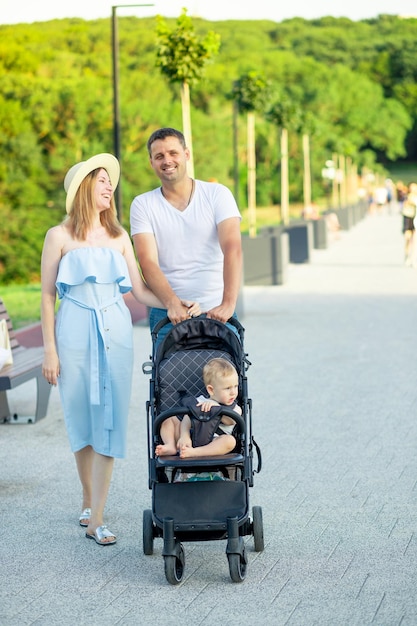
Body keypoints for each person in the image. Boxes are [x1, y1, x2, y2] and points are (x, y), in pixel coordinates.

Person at [41, 153, 200, 546]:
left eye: (110, 182)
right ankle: (87, 497)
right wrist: (50, 351)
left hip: (115, 330)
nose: (110, 187)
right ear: (83, 189)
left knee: (109, 416)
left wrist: (176, 304)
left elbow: (142, 290)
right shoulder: (58, 236)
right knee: (79, 416)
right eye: (101, 181)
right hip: (74, 330)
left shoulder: (118, 237)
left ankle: (97, 518)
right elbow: (47, 298)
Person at [130, 127, 242, 343]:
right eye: (159, 156)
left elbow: (232, 248)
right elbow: (147, 261)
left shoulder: (217, 194)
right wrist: (172, 303)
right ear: (151, 162)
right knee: (168, 377)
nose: (167, 161)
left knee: (226, 376)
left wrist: (228, 303)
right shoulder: (143, 204)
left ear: (186, 154)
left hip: (217, 311)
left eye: (173, 153)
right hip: (168, 315)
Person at [155, 357, 241, 458]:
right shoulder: (200, 401)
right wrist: (184, 436)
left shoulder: (235, 408)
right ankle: (170, 445)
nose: (233, 392)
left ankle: (194, 453)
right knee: (168, 419)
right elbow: (187, 419)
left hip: (215, 441)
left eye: (236, 386)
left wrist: (217, 408)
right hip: (191, 438)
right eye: (228, 388)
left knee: (230, 441)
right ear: (211, 390)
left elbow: (231, 421)